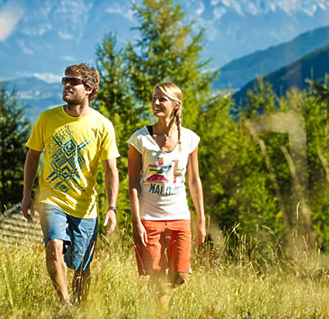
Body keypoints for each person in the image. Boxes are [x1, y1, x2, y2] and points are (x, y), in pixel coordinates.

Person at [21, 63, 120, 306]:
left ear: (89, 88)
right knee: (54, 244)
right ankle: (64, 303)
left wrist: (112, 207)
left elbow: (110, 170)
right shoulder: (47, 118)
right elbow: (33, 156)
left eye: (72, 81)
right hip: (51, 199)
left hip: (86, 206)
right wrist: (26, 195)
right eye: (65, 80)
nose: (66, 85)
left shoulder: (102, 125)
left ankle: (80, 310)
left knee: (81, 267)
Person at [127, 81, 206, 301]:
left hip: (179, 217)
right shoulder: (139, 139)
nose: (156, 103)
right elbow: (133, 184)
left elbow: (194, 180)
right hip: (149, 217)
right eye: (154, 98)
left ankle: (156, 299)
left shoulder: (190, 139)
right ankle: (159, 316)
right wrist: (136, 222)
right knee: (156, 276)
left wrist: (201, 219)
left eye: (162, 99)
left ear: (176, 105)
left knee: (180, 276)